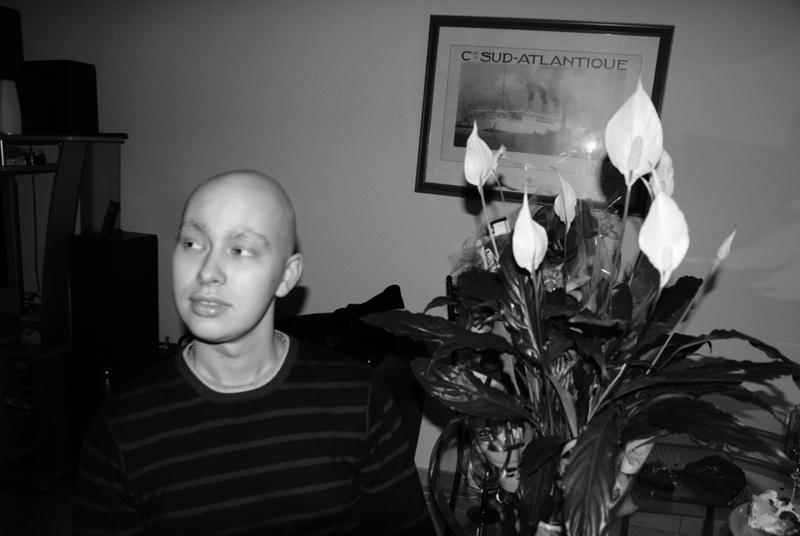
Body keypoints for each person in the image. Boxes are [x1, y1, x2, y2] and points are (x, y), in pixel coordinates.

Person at [72, 170, 435, 535]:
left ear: (287, 275)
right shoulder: (121, 427)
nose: (207, 272)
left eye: (240, 250)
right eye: (192, 243)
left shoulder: (360, 400)